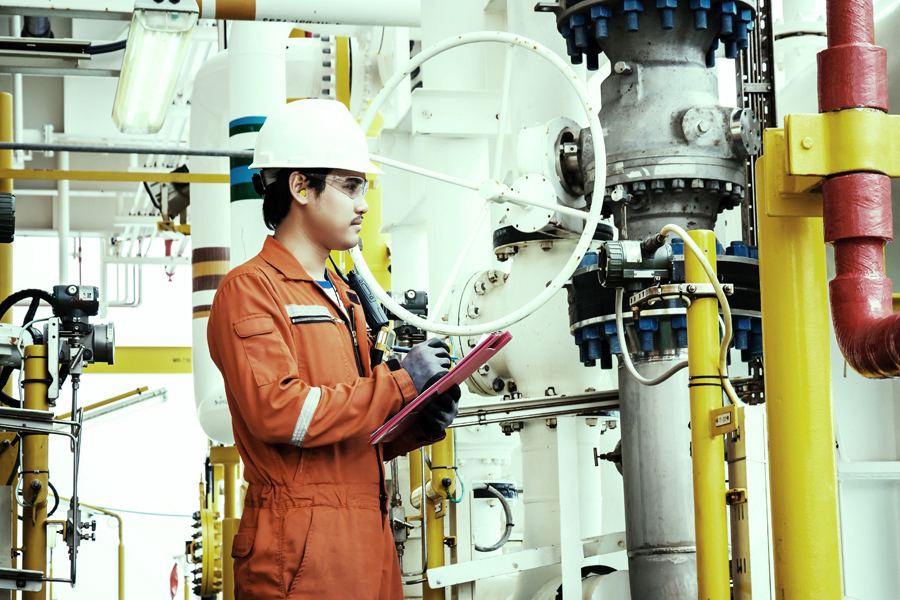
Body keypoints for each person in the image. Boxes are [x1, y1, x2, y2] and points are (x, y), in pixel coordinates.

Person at [207, 99, 461, 600]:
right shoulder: (250, 290)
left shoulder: (344, 298)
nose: (363, 204)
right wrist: (400, 383)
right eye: (350, 186)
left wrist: (417, 420)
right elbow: (281, 414)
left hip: (369, 542)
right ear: (301, 186)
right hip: (301, 553)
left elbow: (353, 438)